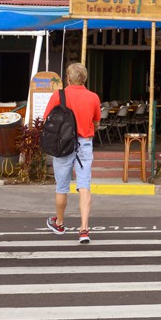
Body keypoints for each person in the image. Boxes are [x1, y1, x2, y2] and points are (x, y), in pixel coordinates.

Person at [44, 62, 101, 245]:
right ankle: (84, 229)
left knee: (62, 187)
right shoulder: (93, 97)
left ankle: (60, 223)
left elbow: (47, 120)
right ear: (84, 78)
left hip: (62, 146)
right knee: (84, 185)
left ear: (68, 78)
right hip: (84, 144)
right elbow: (97, 122)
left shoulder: (58, 96)